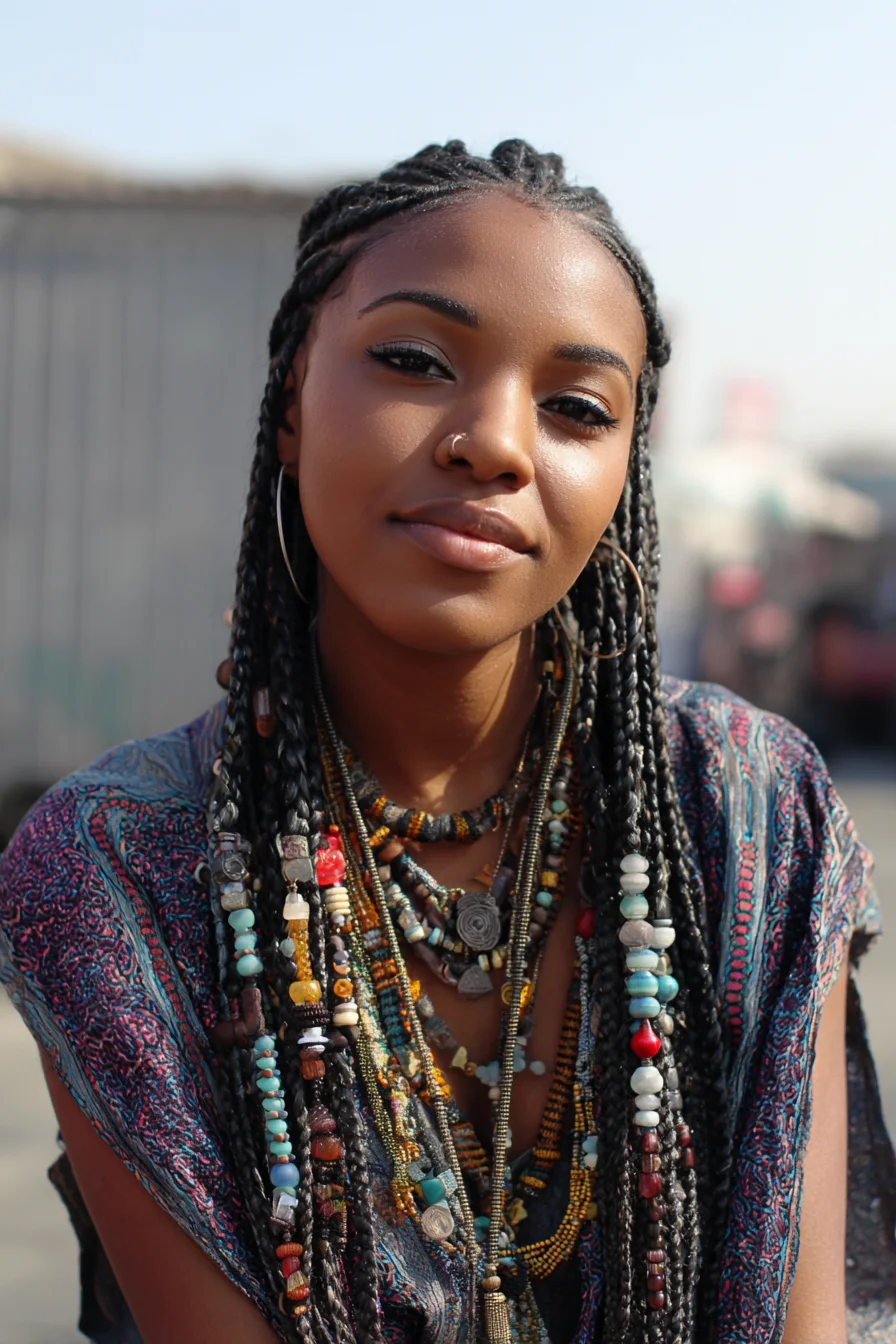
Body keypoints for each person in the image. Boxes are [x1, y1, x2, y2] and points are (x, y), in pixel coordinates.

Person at [0, 139, 893, 1344]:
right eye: (413, 361)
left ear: (624, 470)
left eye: (576, 407)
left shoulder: (744, 810)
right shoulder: (112, 867)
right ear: (288, 406)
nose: (496, 443)